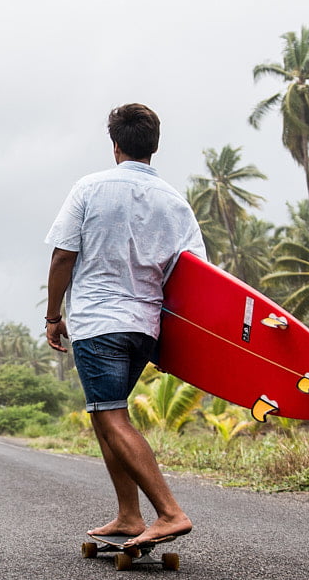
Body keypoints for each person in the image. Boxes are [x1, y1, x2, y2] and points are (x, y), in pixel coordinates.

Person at [43, 103, 205, 547]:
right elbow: (194, 275)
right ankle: (129, 515)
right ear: (154, 146)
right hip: (144, 327)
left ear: (115, 144)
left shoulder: (90, 188)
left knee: (111, 416)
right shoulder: (175, 201)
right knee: (106, 413)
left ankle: (169, 512)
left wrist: (53, 316)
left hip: (100, 322)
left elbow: (62, 255)